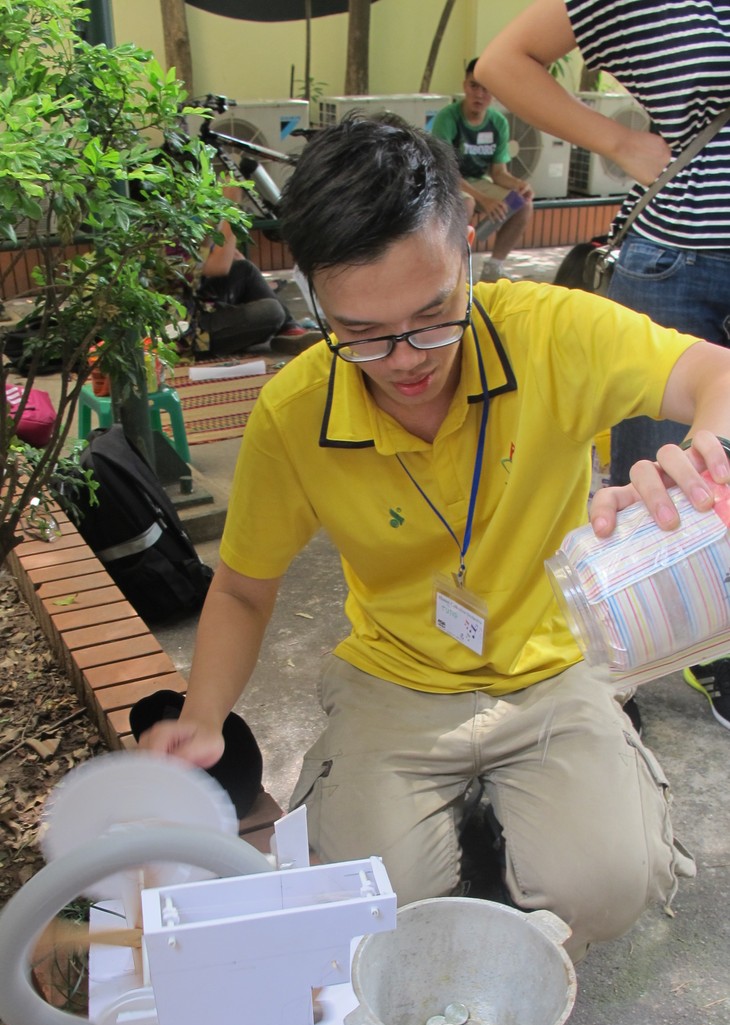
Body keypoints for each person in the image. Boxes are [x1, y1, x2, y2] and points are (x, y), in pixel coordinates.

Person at [140, 114, 730, 962]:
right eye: (363, 334)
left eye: (435, 312)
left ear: (467, 242)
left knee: (607, 886)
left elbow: (716, 374)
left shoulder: (551, 331)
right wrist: (203, 717)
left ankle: (514, 819)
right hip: (398, 677)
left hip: (554, 667)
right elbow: (240, 585)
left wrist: (708, 455)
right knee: (371, 907)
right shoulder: (294, 410)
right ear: (311, 296)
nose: (408, 360)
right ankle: (483, 825)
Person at [475, 0, 730, 731]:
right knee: (653, 489)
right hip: (678, 254)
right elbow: (502, 61)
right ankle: (625, 665)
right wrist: (618, 141)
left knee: (716, 477)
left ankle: (711, 646)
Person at [183, 185, 317, 357]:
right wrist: (231, 206)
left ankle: (288, 330)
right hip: (188, 332)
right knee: (271, 311)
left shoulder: (169, 221)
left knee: (244, 270)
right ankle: (278, 325)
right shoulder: (154, 233)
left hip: (198, 303)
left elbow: (208, 252)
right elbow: (219, 266)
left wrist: (215, 209)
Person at [431, 59, 534, 281]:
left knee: (523, 204)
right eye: (474, 86)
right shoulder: (447, 118)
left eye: (486, 88)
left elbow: (498, 173)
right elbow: (446, 170)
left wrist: (519, 185)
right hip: (449, 180)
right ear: (464, 85)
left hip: (479, 181)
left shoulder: (498, 122)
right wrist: (484, 200)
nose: (479, 94)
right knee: (466, 203)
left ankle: (494, 267)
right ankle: (453, 270)